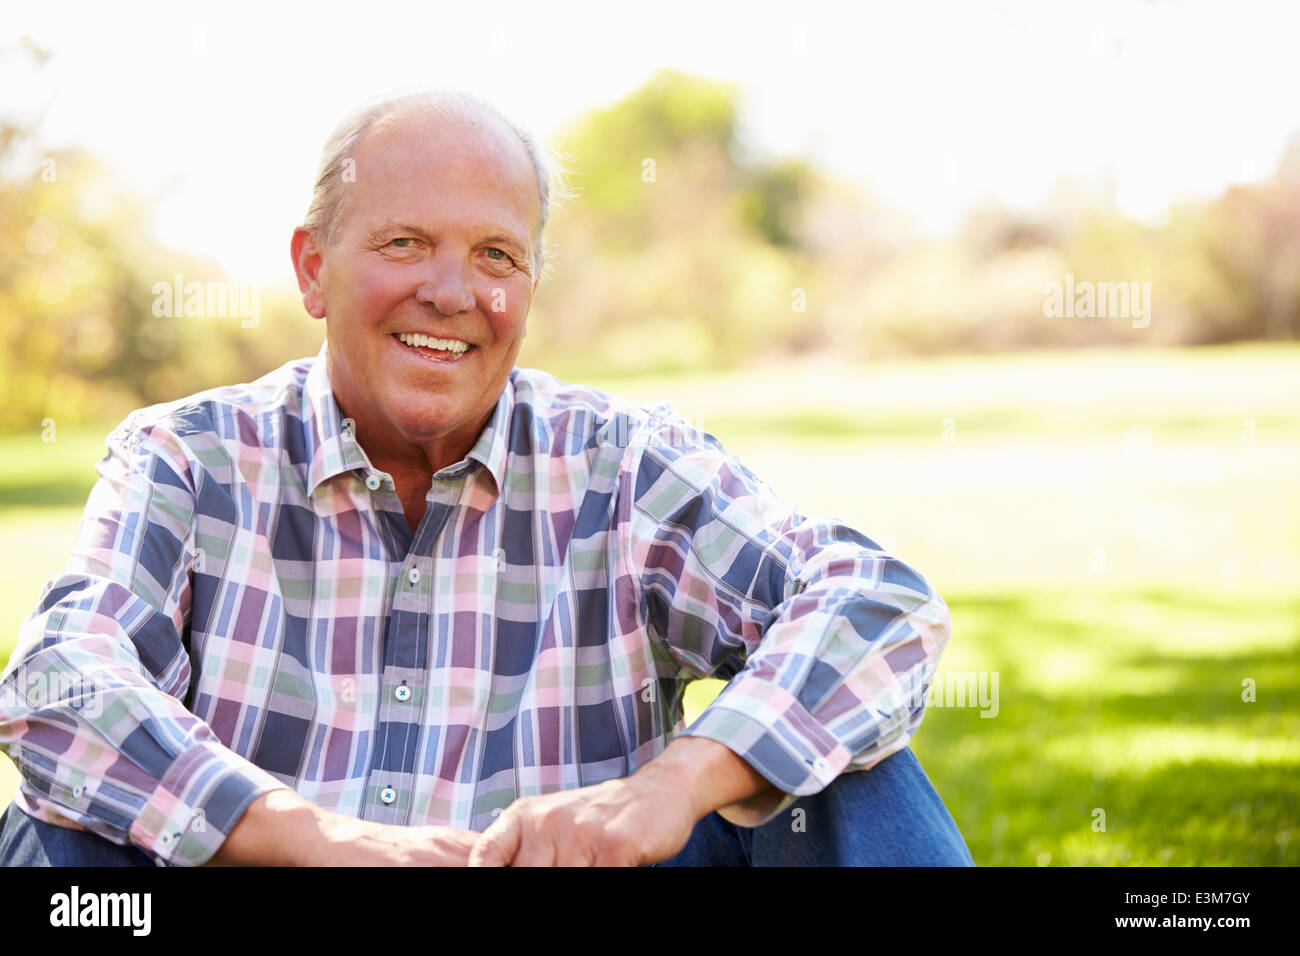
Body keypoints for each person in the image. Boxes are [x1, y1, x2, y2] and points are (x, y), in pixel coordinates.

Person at [0, 90, 973, 867]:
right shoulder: (187, 456)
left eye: (496, 255)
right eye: (404, 243)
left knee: (841, 758)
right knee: (64, 822)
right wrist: (305, 835)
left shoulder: (621, 464)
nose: (453, 292)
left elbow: (876, 603)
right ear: (311, 269)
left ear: (531, 288)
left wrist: (670, 785)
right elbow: (59, 682)